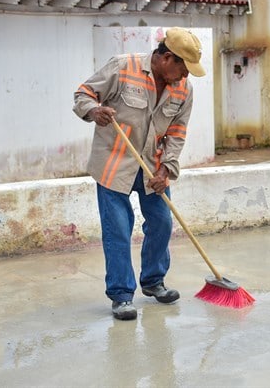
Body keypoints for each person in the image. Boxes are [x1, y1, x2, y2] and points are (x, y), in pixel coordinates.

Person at [73, 27, 206, 320]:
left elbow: (177, 131)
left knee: (161, 222)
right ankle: (121, 296)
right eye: (183, 68)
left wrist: (167, 168)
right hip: (114, 165)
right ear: (167, 57)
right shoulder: (123, 66)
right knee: (118, 229)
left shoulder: (184, 89)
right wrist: (95, 111)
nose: (185, 76)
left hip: (151, 167)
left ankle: (153, 282)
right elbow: (83, 94)